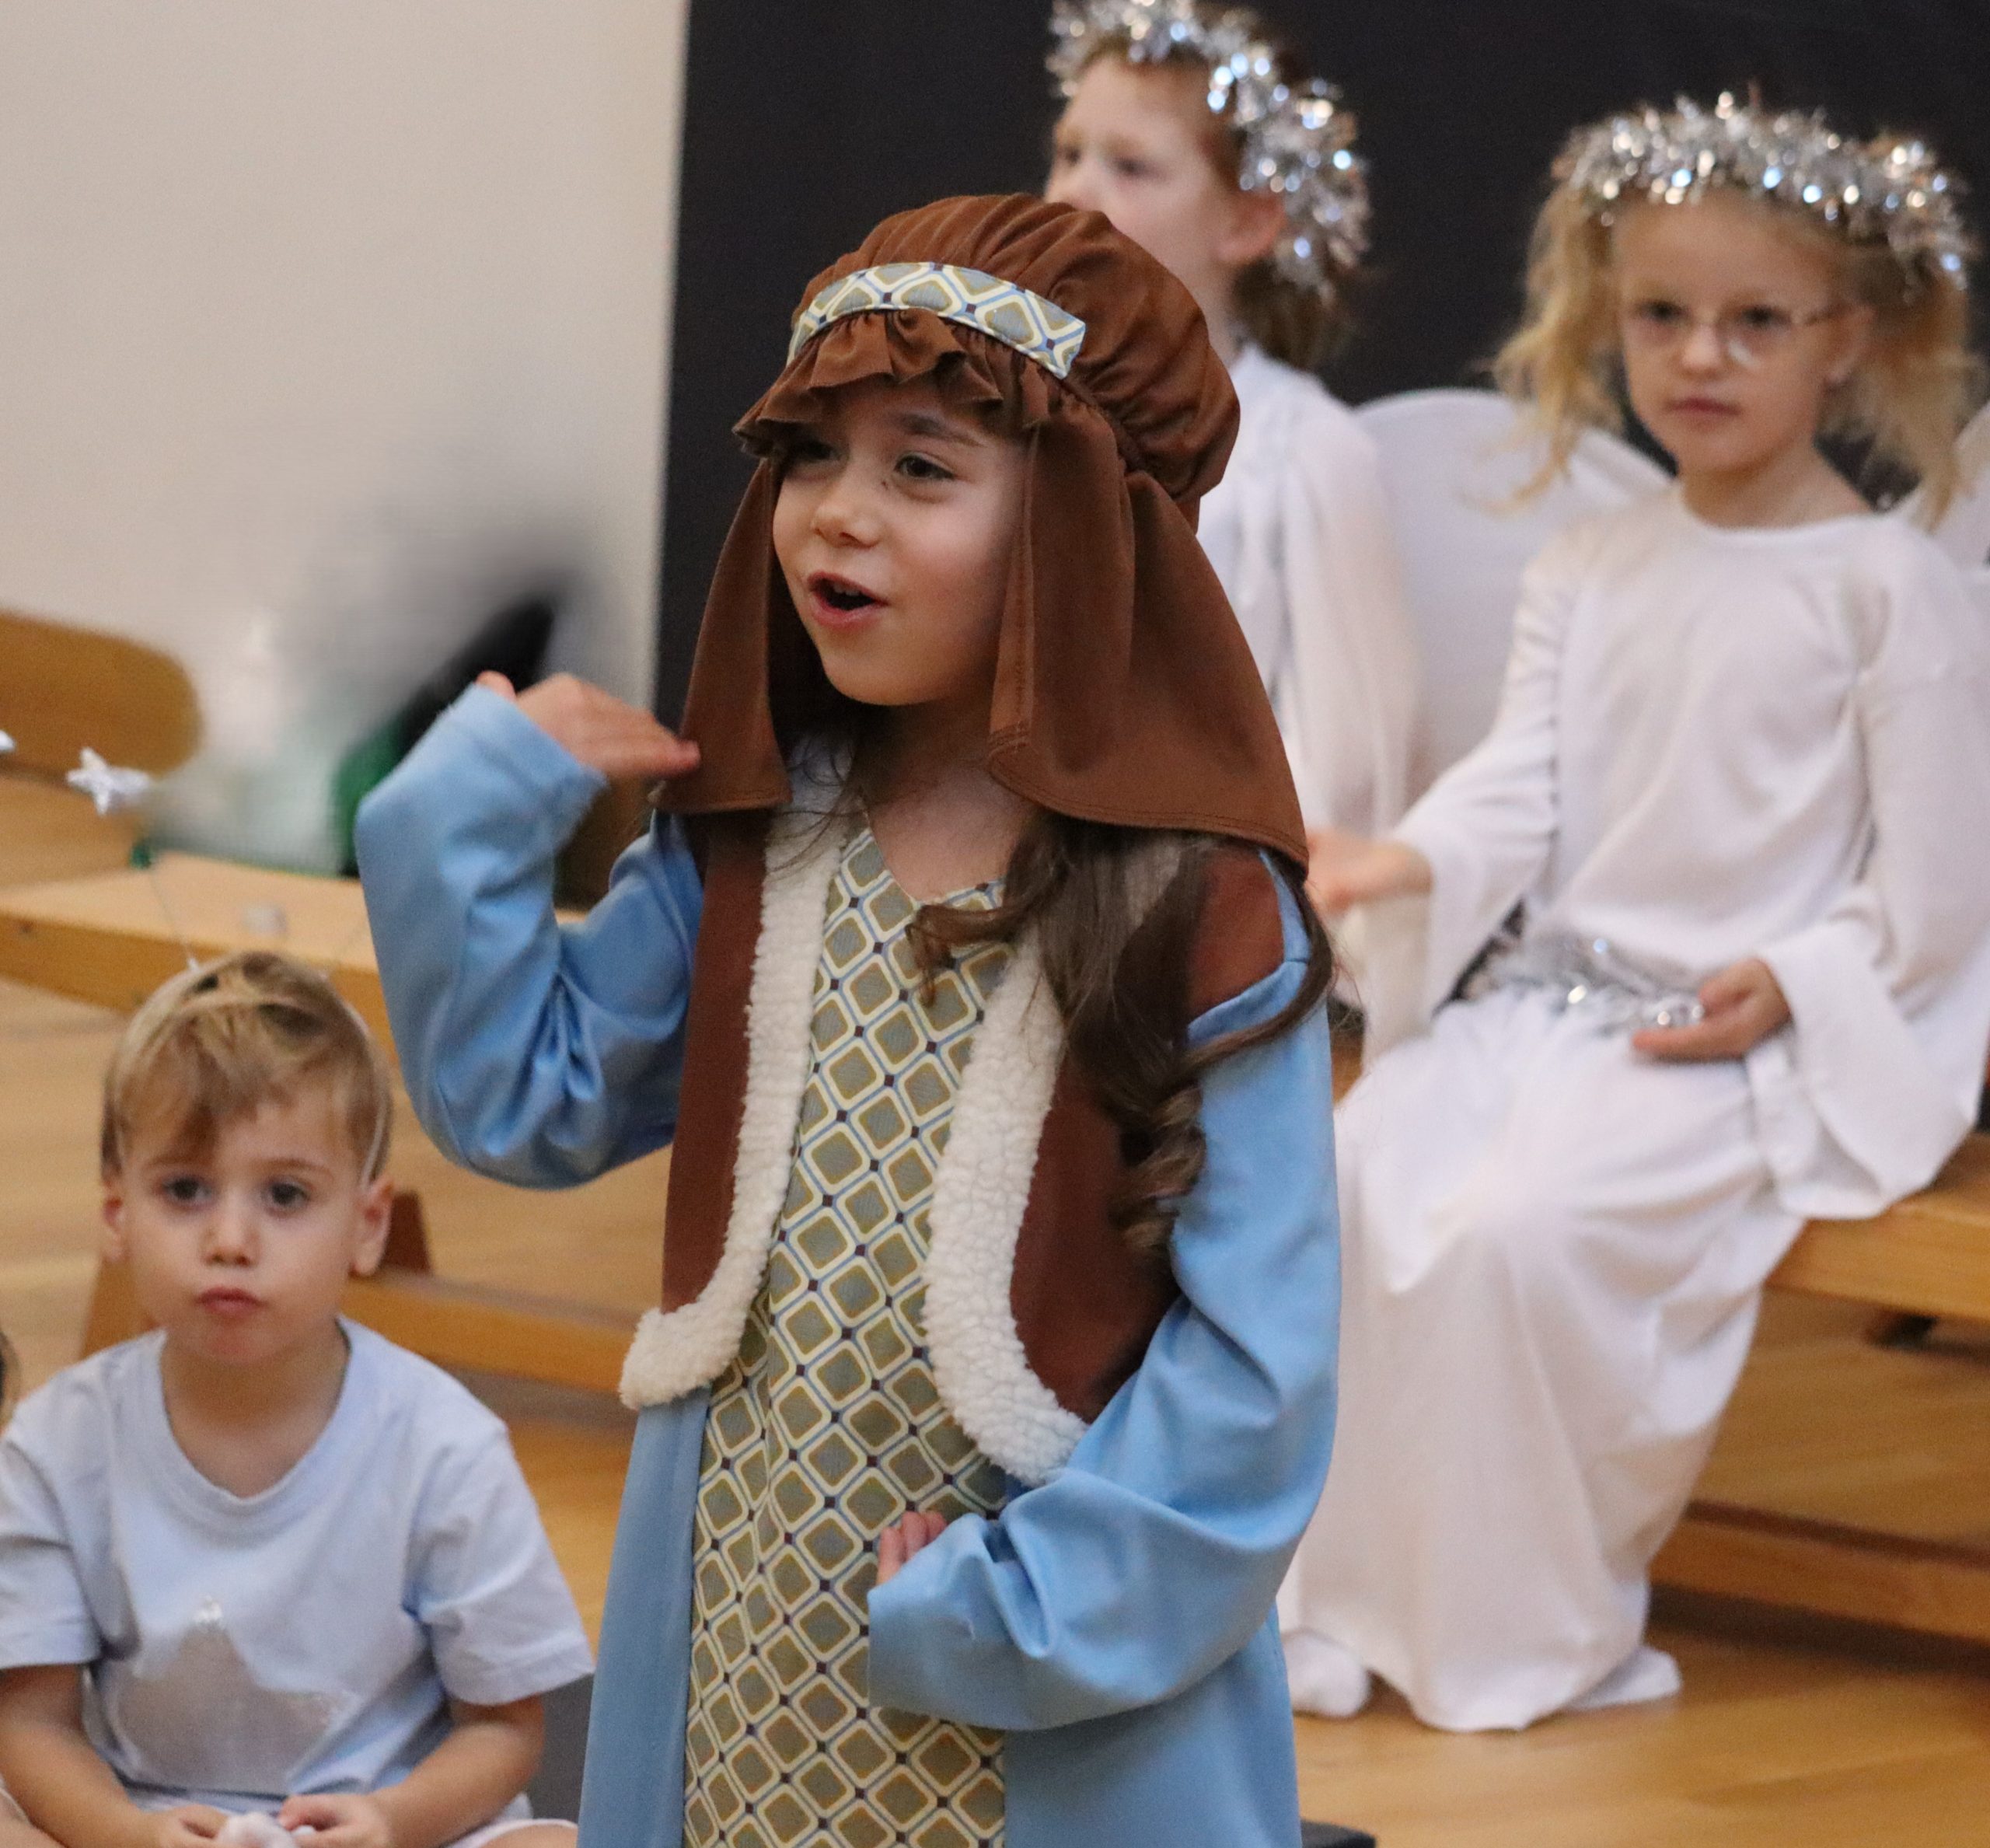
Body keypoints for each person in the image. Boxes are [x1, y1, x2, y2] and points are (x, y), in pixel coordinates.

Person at [354, 194, 1340, 1848]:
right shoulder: (755, 840)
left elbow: (1259, 1374)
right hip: (743, 1649)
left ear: (1080, 529)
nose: (839, 514)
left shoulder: (1202, 909)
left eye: (921, 469)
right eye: (812, 456)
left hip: (1038, 1677)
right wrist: (473, 805)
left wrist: (1013, 1607)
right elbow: (524, 1099)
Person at [1276, 93, 1990, 1734]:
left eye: (1755, 322)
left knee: (1518, 1229)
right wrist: (1401, 863)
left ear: (1846, 339)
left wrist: (1794, 981)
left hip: (1722, 1044)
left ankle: (1513, 1620)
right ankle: (1346, 1598)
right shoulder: (1593, 563)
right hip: (1546, 1011)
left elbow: (1934, 888)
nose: (1698, 357)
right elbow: (1518, 786)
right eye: (1662, 314)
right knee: (1359, 1174)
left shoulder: (1883, 588)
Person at [0, 952, 592, 1844]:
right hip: (145, 1818)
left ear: (367, 1224)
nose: (231, 1239)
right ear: (117, 1214)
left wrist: (392, 1820)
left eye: (285, 1194)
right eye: (185, 1189)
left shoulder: (446, 1445)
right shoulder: (56, 1441)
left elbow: (505, 1730)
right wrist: (126, 1834)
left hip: (389, 1824)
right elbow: (31, 1722)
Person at [1044, 0, 1420, 848]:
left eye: (1131, 167)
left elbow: (1348, 766)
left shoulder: (1305, 452)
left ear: (1247, 222)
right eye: (1068, 154)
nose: (1074, 193)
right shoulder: (1013, 414)